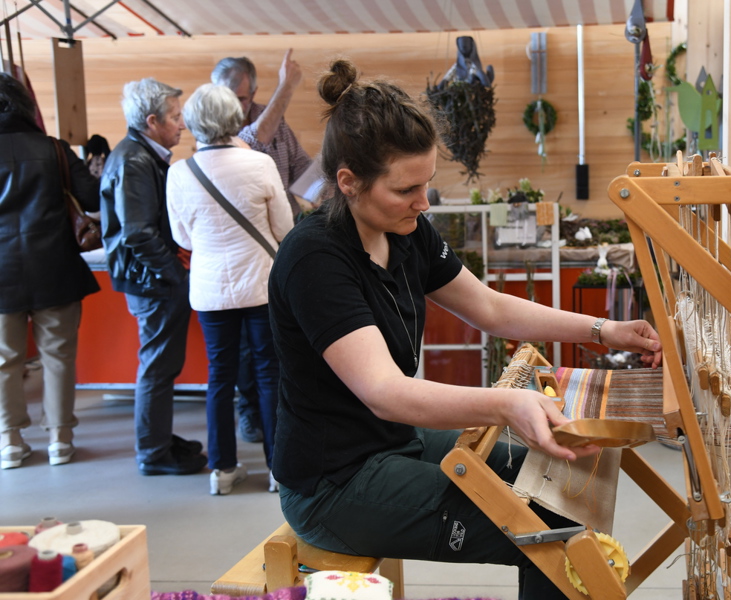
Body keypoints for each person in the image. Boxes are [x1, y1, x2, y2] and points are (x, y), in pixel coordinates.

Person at [269, 59, 663, 599]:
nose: (423, 202)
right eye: (407, 188)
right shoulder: (315, 258)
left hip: (393, 444)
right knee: (556, 536)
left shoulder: (408, 230)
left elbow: (492, 310)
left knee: (561, 479)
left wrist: (604, 330)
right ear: (349, 182)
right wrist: (505, 404)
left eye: (427, 184)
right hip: (334, 482)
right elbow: (384, 392)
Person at [166, 83, 294, 495]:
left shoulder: (179, 173)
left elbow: (182, 237)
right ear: (236, 119)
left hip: (210, 291)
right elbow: (285, 230)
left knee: (219, 377)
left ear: (191, 123)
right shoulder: (259, 164)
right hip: (260, 285)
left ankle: (222, 469)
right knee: (269, 373)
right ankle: (277, 468)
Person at [100, 78, 207, 476]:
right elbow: (137, 233)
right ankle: (152, 451)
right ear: (151, 121)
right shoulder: (134, 161)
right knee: (159, 366)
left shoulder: (142, 154)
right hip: (154, 283)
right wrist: (174, 272)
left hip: (154, 279)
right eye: (176, 117)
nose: (182, 125)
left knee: (162, 365)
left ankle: (158, 439)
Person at [211, 50, 311, 445]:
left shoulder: (276, 124)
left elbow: (304, 172)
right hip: (239, 268)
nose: (229, 107)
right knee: (245, 356)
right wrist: (287, 86)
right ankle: (250, 412)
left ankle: (278, 419)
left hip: (279, 256)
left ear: (252, 96)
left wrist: (344, 196)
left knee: (273, 349)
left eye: (238, 99)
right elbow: (254, 142)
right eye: (223, 97)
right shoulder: (221, 138)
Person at [0, 73, 100, 469]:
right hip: (54, 267)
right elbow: (91, 196)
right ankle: (60, 439)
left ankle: (9, 441)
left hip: (1, 274)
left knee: (5, 359)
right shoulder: (54, 149)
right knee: (57, 354)